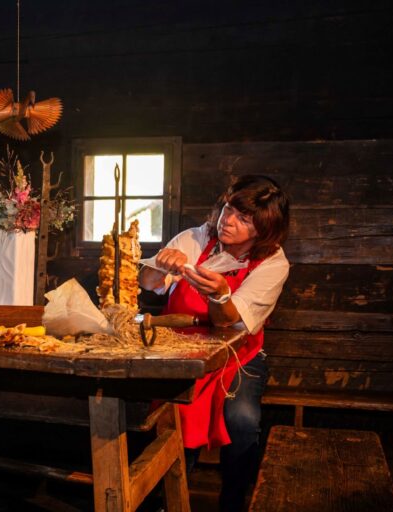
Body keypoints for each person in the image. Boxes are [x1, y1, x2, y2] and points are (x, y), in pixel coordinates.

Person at [139, 175, 290, 511]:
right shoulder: (196, 238)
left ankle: (234, 498)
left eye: (243, 218)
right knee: (174, 418)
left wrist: (221, 293)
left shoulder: (272, 263)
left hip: (237, 354)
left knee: (242, 420)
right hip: (179, 351)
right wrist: (160, 264)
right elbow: (149, 282)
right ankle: (166, 498)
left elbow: (227, 321)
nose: (228, 221)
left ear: (264, 229)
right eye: (228, 209)